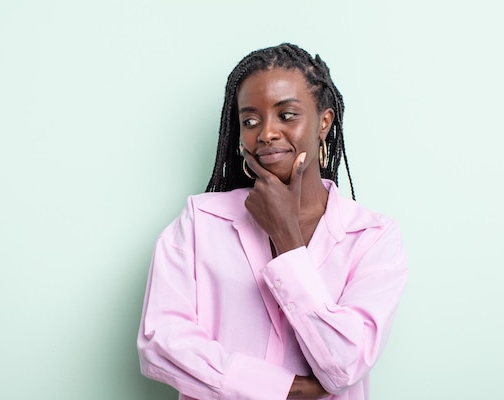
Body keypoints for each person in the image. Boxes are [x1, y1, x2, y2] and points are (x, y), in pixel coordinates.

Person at [137, 43, 408, 400]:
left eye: (287, 115)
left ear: (323, 122)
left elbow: (345, 365)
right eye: (250, 120)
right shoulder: (199, 223)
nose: (266, 133)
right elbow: (160, 341)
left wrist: (287, 238)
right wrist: (285, 390)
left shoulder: (372, 237)